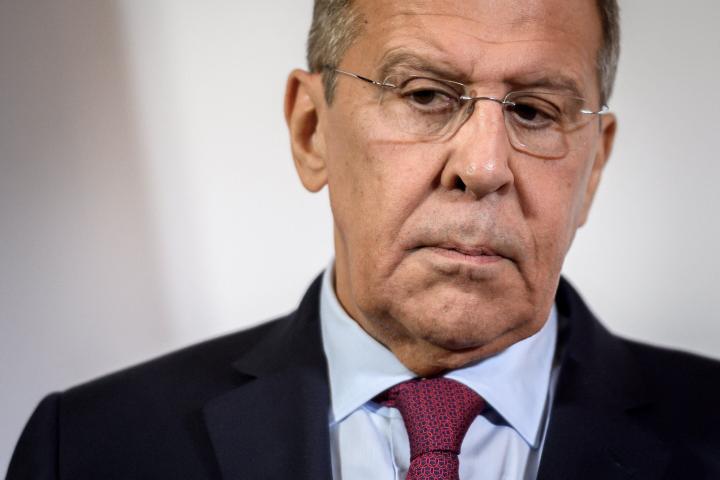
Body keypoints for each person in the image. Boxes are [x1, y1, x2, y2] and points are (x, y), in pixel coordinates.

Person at [7, 0, 720, 478]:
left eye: (534, 111)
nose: (483, 167)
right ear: (311, 130)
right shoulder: (90, 449)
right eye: (425, 95)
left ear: (593, 168)